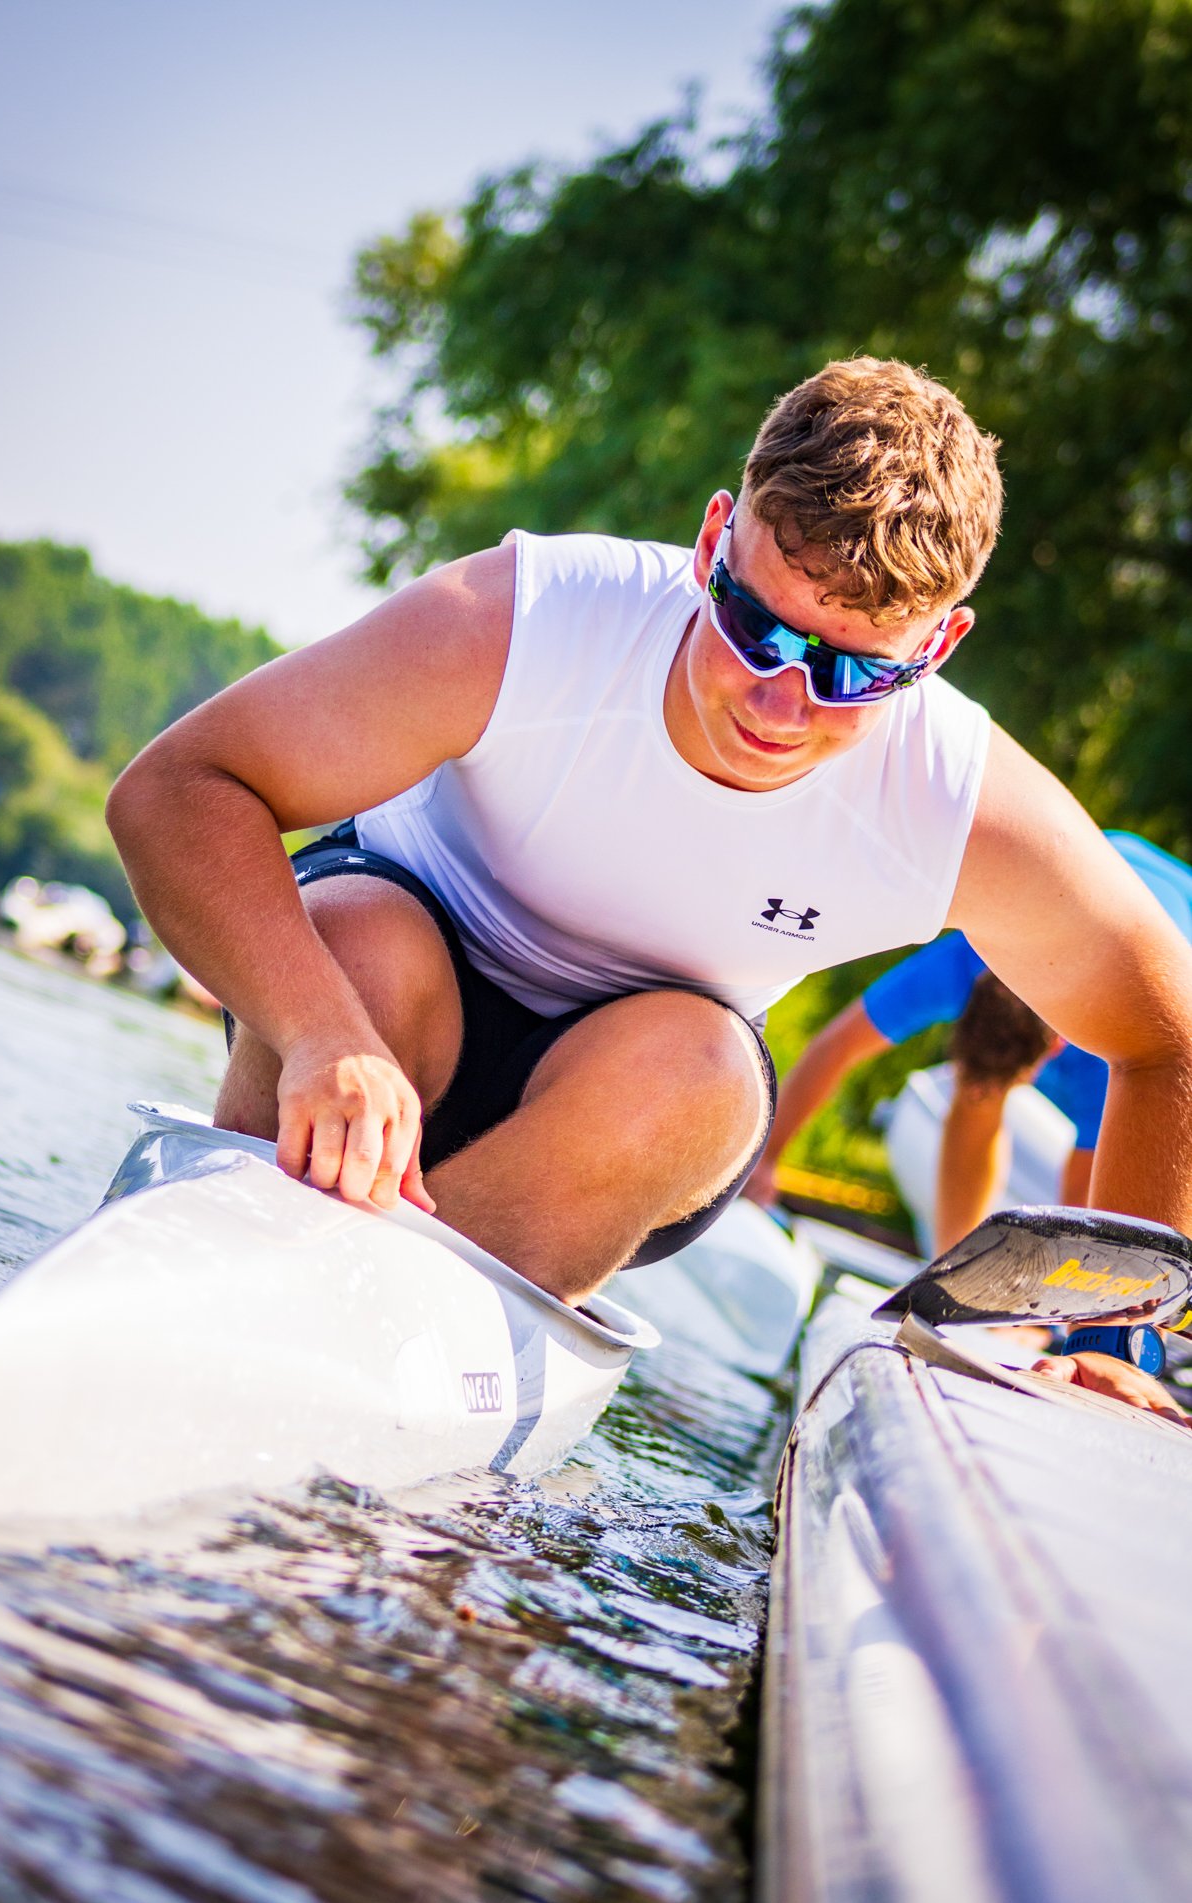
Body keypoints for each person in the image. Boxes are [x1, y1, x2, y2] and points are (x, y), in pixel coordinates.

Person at [106, 357, 1192, 1425]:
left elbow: (1165, 1036)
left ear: (939, 646)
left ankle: (393, 1386)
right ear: (714, 539)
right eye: (757, 628)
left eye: (851, 673)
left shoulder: (961, 801)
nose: (779, 700)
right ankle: (207, 1307)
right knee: (364, 957)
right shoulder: (520, 620)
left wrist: (1109, 1337)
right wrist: (320, 1036)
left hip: (636, 1095)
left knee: (696, 1067)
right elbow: (174, 790)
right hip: (381, 995)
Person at [746, 832, 1192, 1251]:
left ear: (1056, 1046)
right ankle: (952, 1267)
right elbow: (836, 1047)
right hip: (1096, 875)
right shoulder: (965, 958)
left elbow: (1091, 1209)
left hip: (1166, 957)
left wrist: (1061, 1324)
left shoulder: (1123, 1046)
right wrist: (761, 1162)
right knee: (979, 1095)